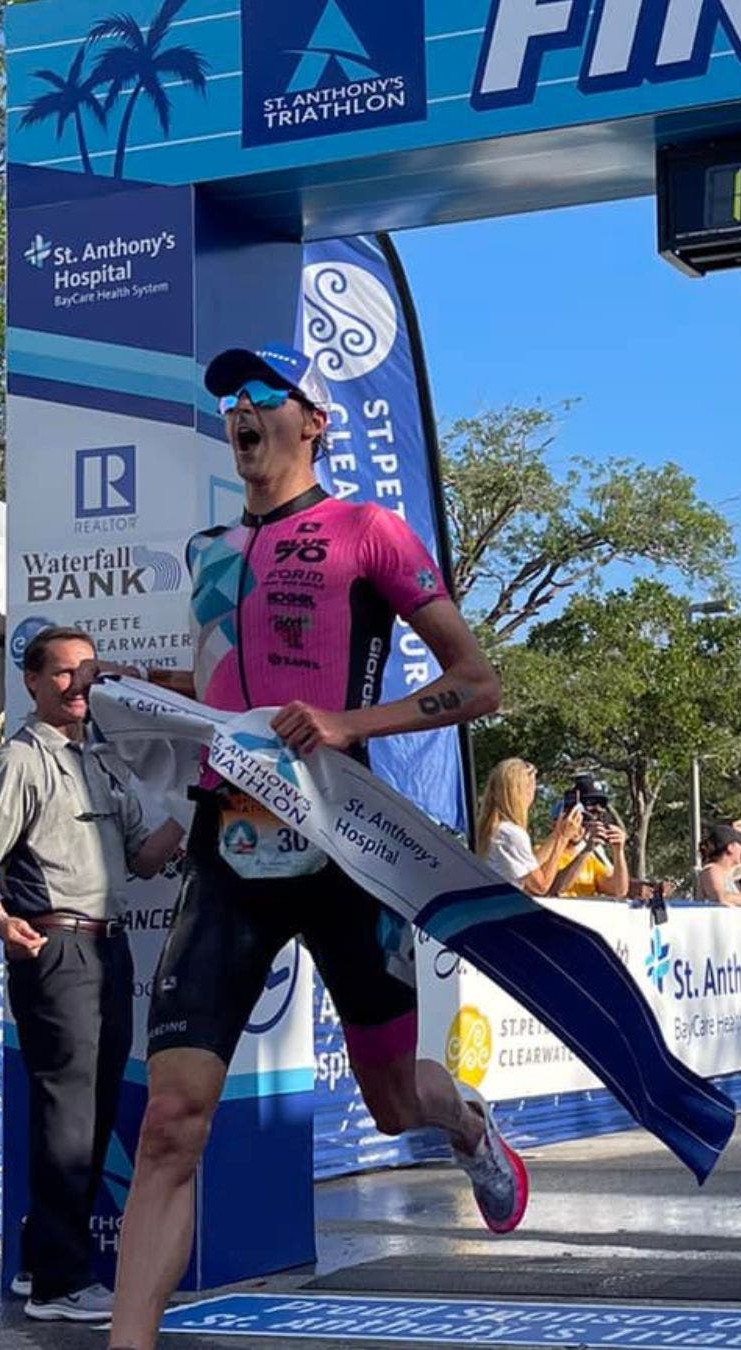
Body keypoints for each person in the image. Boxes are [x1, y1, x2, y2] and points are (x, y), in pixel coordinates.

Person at [100, 346, 516, 1350]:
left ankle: (468, 1124)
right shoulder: (207, 551)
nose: (239, 412)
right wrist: (136, 684)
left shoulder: (368, 531)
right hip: (228, 849)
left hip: (344, 850)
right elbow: (223, 695)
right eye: (229, 402)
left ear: (313, 422)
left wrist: (346, 723)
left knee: (392, 1103)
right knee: (171, 1123)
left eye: (260, 396)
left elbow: (477, 685)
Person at [0, 626, 182, 1323]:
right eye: (62, 673)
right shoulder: (21, 761)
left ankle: (41, 1261)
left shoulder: (101, 761)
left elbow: (145, 857)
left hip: (109, 948)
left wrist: (202, 802)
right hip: (55, 948)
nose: (78, 685)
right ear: (31, 681)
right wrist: (1, 921)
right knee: (69, 1117)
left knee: (95, 1110)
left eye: (87, 672)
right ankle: (60, 1284)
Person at [471, 757, 597, 897]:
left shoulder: (495, 830)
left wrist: (557, 833)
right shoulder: (511, 833)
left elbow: (529, 867)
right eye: (532, 787)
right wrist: (563, 838)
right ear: (520, 791)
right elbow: (541, 887)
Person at [546, 775, 631, 899]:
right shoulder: (543, 854)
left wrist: (618, 852)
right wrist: (587, 850)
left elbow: (619, 890)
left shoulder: (590, 860)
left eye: (585, 822)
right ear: (557, 822)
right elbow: (553, 888)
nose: (580, 827)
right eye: (576, 820)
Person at [695, 822, 741, 907]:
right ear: (730, 847)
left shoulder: (726, 872)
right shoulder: (711, 870)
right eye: (740, 844)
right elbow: (721, 898)